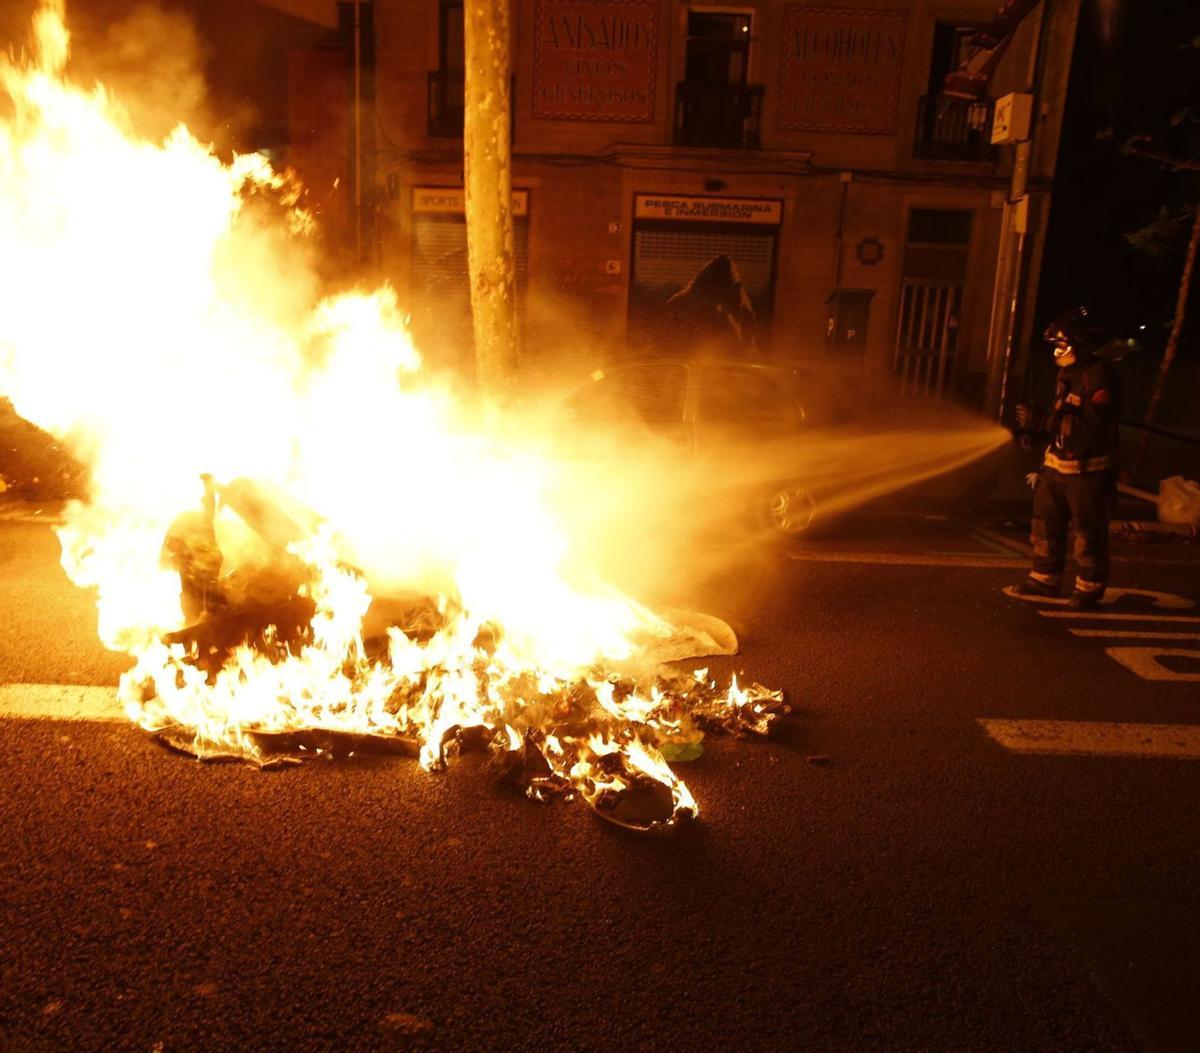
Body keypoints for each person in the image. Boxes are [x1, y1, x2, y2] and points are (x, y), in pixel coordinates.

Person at [1013, 305, 1122, 608]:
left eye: (1062, 344)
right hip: (1057, 467)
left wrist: (1042, 421)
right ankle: (1045, 578)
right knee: (1045, 523)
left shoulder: (1101, 376)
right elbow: (1061, 413)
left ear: (1081, 342)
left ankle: (1089, 585)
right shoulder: (1067, 373)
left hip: (1088, 472)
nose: (1058, 351)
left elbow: (1088, 427)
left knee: (1088, 530)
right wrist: (1034, 431)